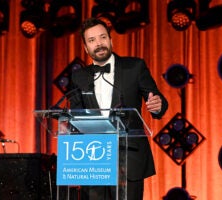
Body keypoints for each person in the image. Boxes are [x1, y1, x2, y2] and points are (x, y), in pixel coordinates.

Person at [69, 17, 168, 200]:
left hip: (129, 158)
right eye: (92, 40)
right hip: (93, 160)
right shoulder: (78, 77)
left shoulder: (135, 67)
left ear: (110, 40)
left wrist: (158, 105)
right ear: (85, 48)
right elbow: (76, 118)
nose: (99, 44)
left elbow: (156, 99)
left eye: (102, 37)